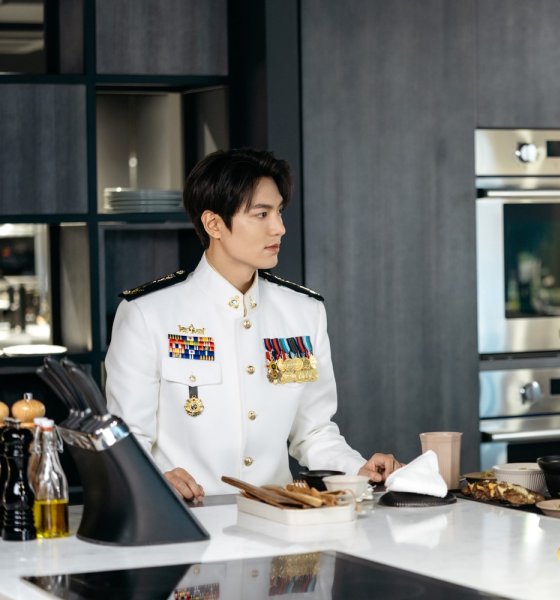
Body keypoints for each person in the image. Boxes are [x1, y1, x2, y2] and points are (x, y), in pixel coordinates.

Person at [105, 148, 401, 500]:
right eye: (261, 214)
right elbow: (128, 440)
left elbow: (313, 433)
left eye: (279, 212)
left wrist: (358, 469)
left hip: (278, 517)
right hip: (186, 517)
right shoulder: (147, 314)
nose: (279, 228)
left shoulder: (303, 313)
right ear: (214, 224)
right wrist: (156, 481)